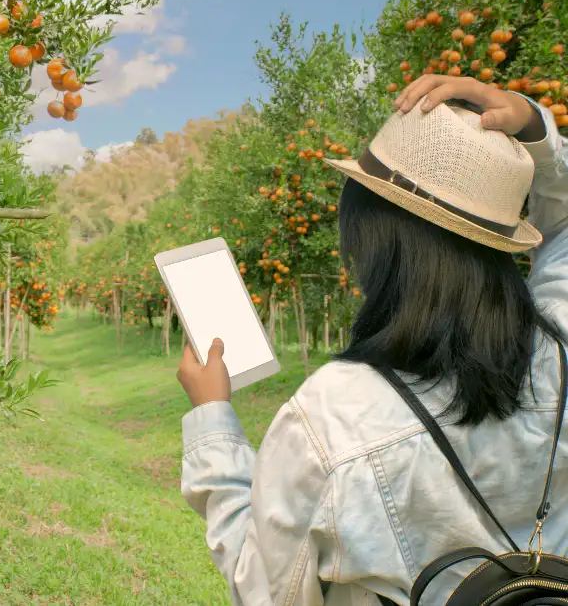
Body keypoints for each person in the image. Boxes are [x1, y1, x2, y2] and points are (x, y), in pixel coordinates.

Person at [176, 75, 568, 605]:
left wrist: (212, 416)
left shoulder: (334, 415)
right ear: (500, 240)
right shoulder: (559, 344)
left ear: (367, 240)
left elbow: (265, 590)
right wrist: (534, 124)